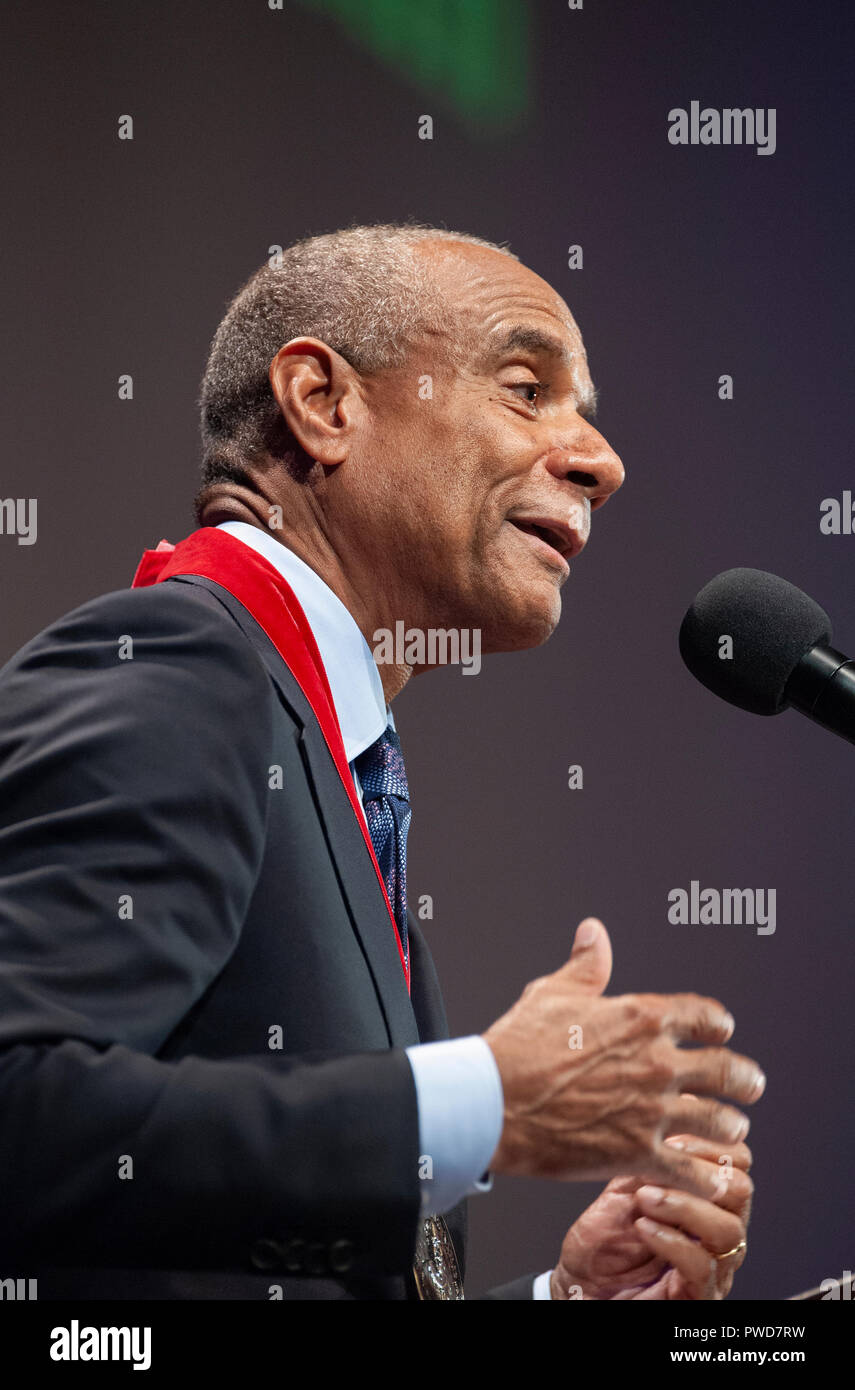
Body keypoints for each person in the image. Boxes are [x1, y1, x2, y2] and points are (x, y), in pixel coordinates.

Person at [0, 224, 763, 1300]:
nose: (601, 459)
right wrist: (481, 1103)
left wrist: (568, 1300)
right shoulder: (186, 670)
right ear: (324, 403)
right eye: (526, 386)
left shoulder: (331, 759)